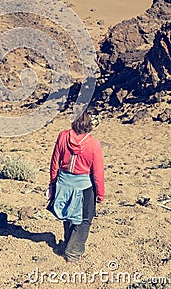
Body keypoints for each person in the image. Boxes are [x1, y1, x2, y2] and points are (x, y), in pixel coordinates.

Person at [48, 110, 105, 263]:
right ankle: (73, 253)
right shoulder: (94, 144)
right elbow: (98, 173)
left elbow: (55, 162)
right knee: (85, 219)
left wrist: (52, 183)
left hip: (63, 182)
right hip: (83, 185)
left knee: (68, 215)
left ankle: (68, 243)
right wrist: (100, 194)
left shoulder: (63, 136)